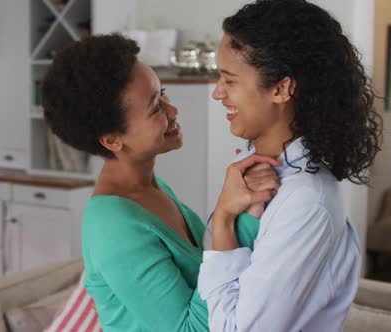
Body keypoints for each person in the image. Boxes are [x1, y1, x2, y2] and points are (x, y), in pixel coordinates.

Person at [41, 34, 280, 331]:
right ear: (113, 139)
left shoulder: (153, 188)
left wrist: (242, 212)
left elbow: (211, 271)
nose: (173, 110)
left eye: (163, 92)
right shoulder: (114, 225)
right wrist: (232, 217)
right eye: (155, 107)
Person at [198, 1, 383, 331]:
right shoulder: (262, 174)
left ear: (281, 88)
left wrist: (224, 220)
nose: (217, 93)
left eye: (230, 80)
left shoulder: (306, 203)